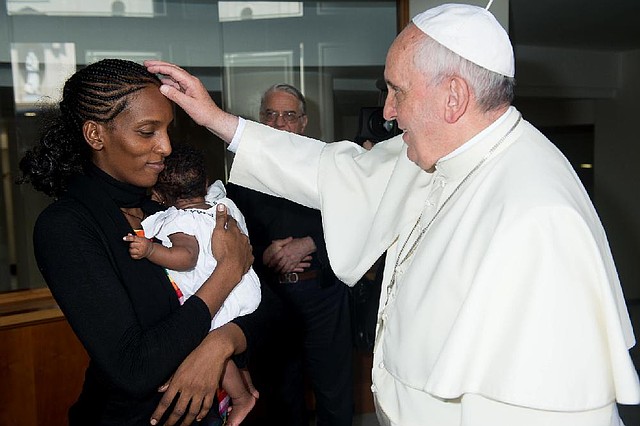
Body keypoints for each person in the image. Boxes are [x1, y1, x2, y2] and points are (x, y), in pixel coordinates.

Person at [145, 3, 640, 425]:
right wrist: (217, 120)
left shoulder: (539, 217)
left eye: (396, 90)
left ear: (453, 97)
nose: (387, 111)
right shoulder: (441, 149)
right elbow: (331, 170)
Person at [18, 58, 282, 426]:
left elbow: (272, 312)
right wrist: (228, 271)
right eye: (147, 132)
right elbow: (134, 368)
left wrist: (218, 347)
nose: (166, 147)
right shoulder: (66, 227)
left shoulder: (169, 205)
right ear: (96, 135)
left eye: (168, 130)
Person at [225, 84, 353, 426]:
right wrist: (262, 254)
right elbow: (232, 234)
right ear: (261, 120)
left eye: (289, 115)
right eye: (271, 114)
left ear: (303, 122)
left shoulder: (330, 166)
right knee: (281, 395)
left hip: (322, 295)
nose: (279, 123)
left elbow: (357, 221)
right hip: (271, 298)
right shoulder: (241, 176)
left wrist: (310, 243)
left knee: (334, 392)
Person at [123, 143, 261, 426]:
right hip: (243, 288)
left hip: (219, 293)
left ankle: (240, 398)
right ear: (206, 182)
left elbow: (186, 257)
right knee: (223, 348)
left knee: (208, 345)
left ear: (160, 195)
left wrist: (150, 250)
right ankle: (242, 392)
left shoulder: (181, 221)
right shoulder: (224, 206)